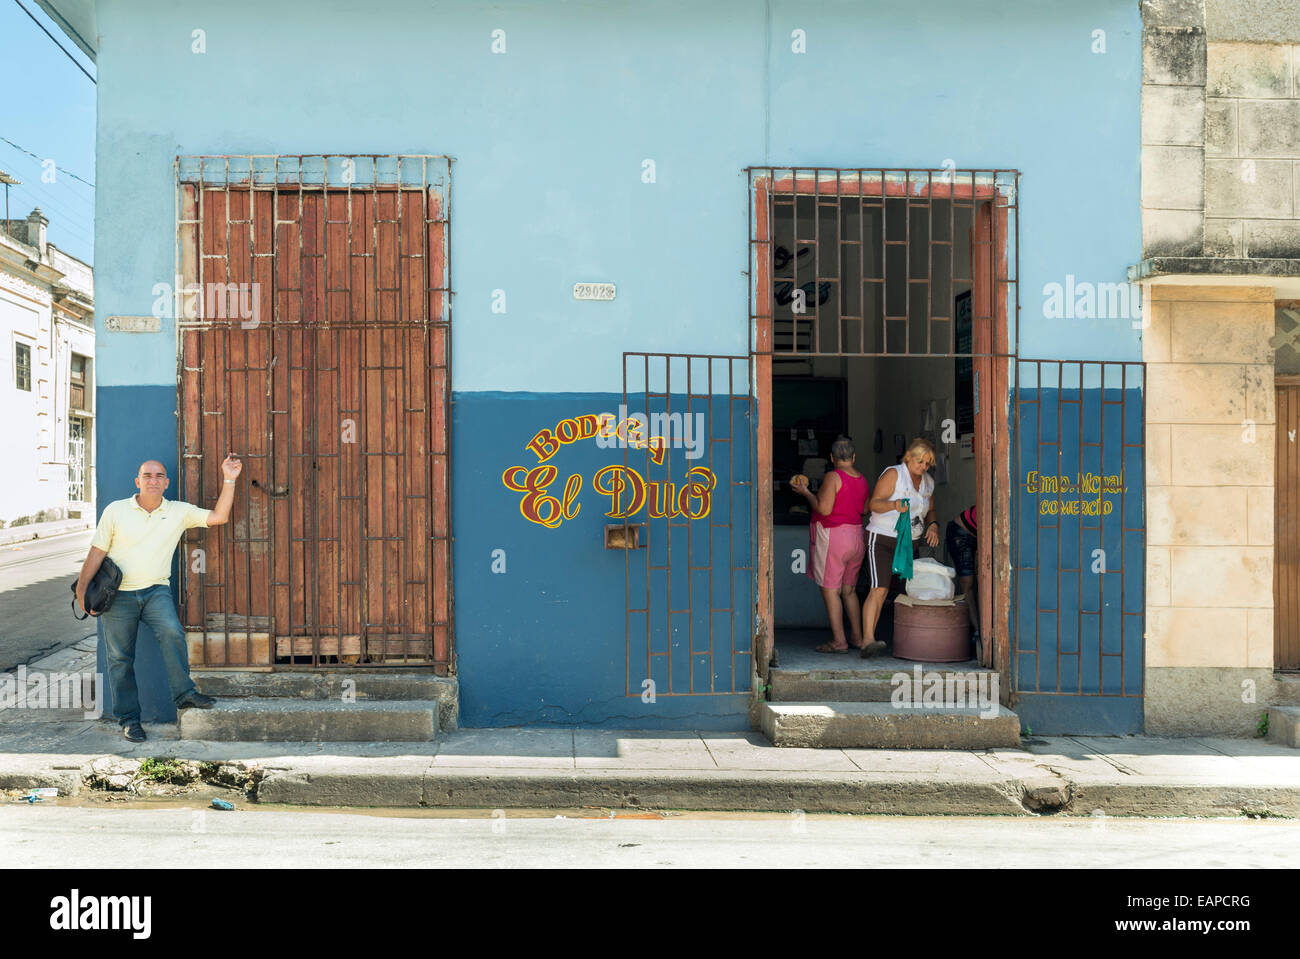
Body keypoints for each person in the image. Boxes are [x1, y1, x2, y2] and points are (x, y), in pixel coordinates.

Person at [76, 455, 243, 742]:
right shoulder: (116, 511)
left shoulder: (178, 511)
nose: (153, 480)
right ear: (137, 481)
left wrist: (229, 478)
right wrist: (81, 592)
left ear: (166, 483)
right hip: (117, 596)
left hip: (156, 591)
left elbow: (219, 517)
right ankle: (129, 720)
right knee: (119, 659)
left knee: (172, 632)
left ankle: (185, 694)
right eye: (147, 475)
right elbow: (97, 553)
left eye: (159, 476)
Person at [790, 435, 870, 654]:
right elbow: (864, 510)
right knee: (849, 590)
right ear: (853, 457)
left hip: (834, 537)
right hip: (856, 535)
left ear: (832, 458)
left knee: (830, 589)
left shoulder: (833, 477)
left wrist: (806, 493)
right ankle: (857, 637)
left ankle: (839, 641)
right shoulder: (861, 478)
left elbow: (824, 509)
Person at [861, 437, 940, 657]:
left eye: (927, 463)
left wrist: (933, 525)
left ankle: (911, 641)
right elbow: (873, 503)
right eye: (919, 462)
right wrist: (893, 505)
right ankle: (867, 640)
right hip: (883, 539)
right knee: (880, 588)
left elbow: (930, 509)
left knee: (909, 591)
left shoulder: (928, 482)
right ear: (908, 458)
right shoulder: (894, 474)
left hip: (908, 543)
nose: (923, 467)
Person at [946, 504, 979, 648]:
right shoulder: (987, 504)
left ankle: (979, 626)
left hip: (977, 535)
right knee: (968, 582)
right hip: (960, 533)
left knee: (983, 580)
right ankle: (977, 629)